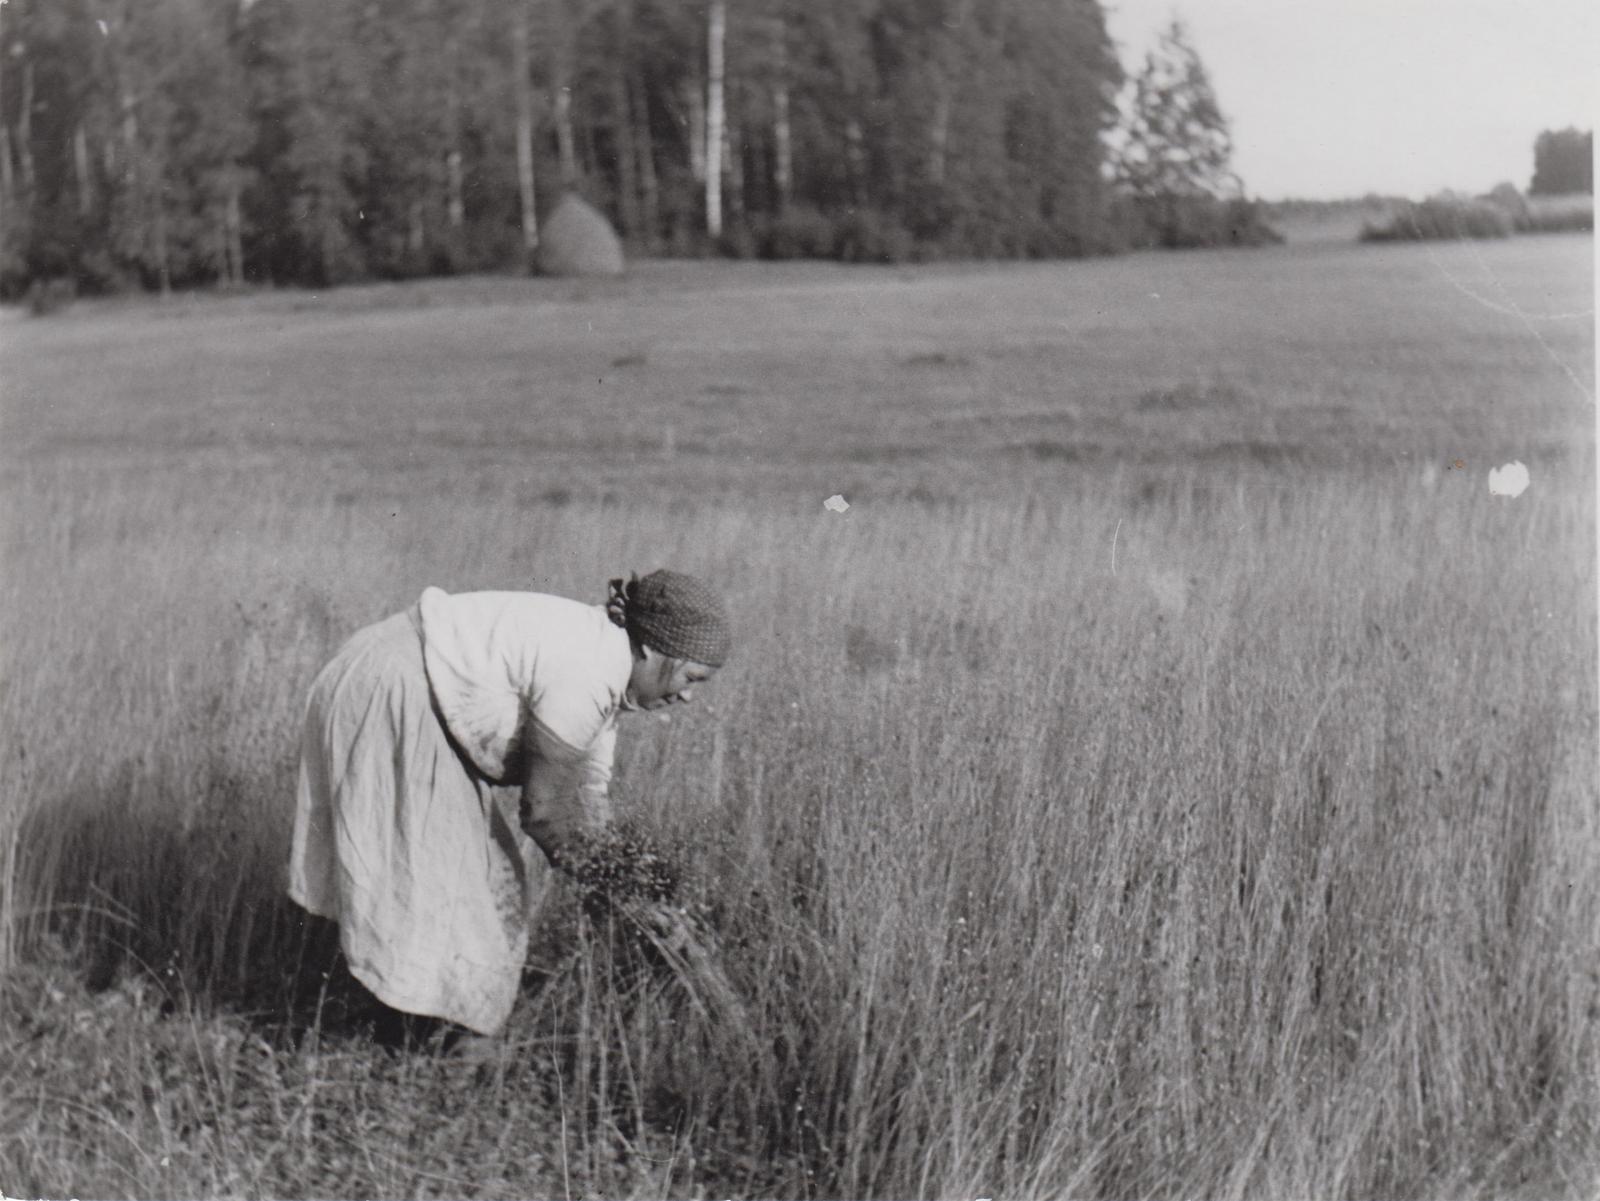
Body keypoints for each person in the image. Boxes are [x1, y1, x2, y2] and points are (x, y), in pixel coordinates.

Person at [288, 569, 731, 1042]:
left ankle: (393, 1024)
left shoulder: (605, 662)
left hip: (392, 676)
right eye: (690, 677)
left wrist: (631, 878)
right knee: (452, 892)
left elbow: (588, 792)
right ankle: (423, 1040)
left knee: (451, 882)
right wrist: (614, 887)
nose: (687, 696)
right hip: (394, 687)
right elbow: (545, 811)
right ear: (652, 649)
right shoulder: (588, 666)